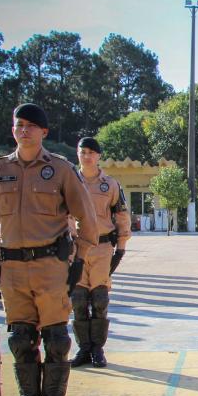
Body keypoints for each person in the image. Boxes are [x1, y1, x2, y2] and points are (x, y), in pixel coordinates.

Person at [0, 103, 98, 396]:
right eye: (19, 125)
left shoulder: (61, 170)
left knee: (56, 341)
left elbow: (87, 220)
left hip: (50, 266)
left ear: (44, 132)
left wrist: (77, 259)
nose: (24, 130)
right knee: (21, 340)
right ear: (13, 130)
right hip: (11, 270)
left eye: (31, 126)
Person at [69, 137, 132, 369]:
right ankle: (83, 347)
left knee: (99, 299)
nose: (86, 156)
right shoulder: (69, 181)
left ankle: (98, 349)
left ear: (98, 156)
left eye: (91, 153)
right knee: (77, 300)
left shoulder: (110, 184)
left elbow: (121, 215)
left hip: (102, 247)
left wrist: (122, 246)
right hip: (75, 248)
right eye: (82, 152)